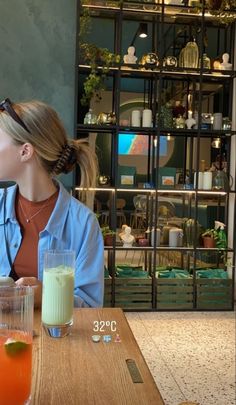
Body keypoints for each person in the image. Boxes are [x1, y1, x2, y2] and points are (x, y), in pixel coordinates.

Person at [0, 98, 104, 308]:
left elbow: (90, 306)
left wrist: (44, 296)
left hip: (55, 339)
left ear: (25, 151)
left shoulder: (83, 225)